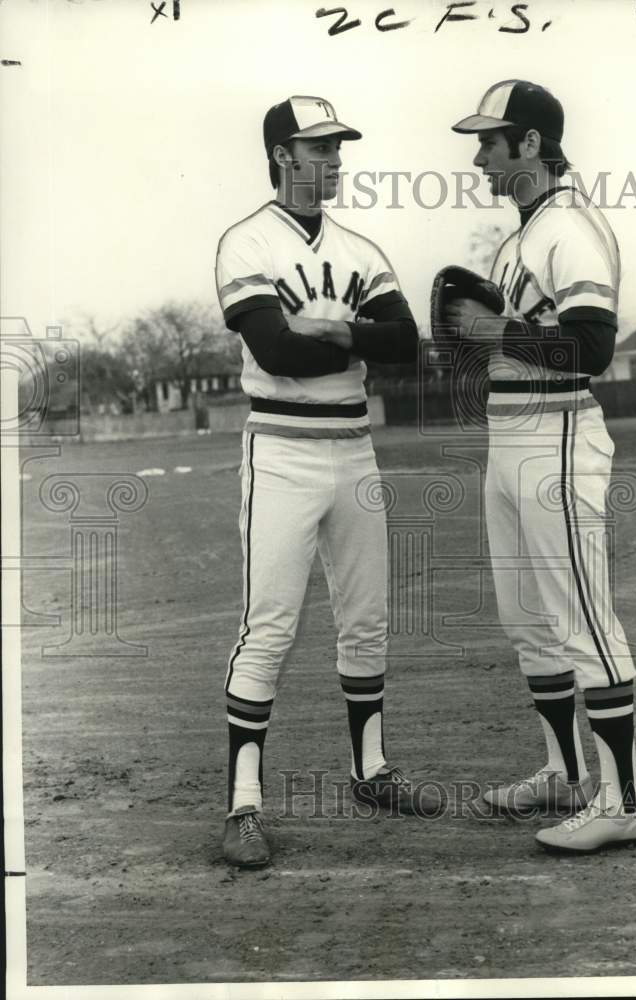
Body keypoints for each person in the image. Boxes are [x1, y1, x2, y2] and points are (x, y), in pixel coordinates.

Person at [215, 95, 437, 867]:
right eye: (319, 148)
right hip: (279, 448)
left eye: (338, 146)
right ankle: (244, 804)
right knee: (269, 626)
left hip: (354, 449)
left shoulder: (361, 248)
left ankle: (370, 770)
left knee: (368, 619)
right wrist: (353, 337)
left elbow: (405, 343)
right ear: (282, 155)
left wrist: (333, 329)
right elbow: (275, 351)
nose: (335, 159)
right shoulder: (245, 242)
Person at [445, 80, 636, 851]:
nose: (478, 156)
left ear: (530, 144)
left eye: (490, 141)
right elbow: (507, 341)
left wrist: (494, 330)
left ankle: (624, 802)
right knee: (527, 620)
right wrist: (476, 342)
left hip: (559, 435)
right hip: (511, 438)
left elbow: (592, 348)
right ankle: (565, 773)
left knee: (582, 623)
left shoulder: (571, 228)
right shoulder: (515, 239)